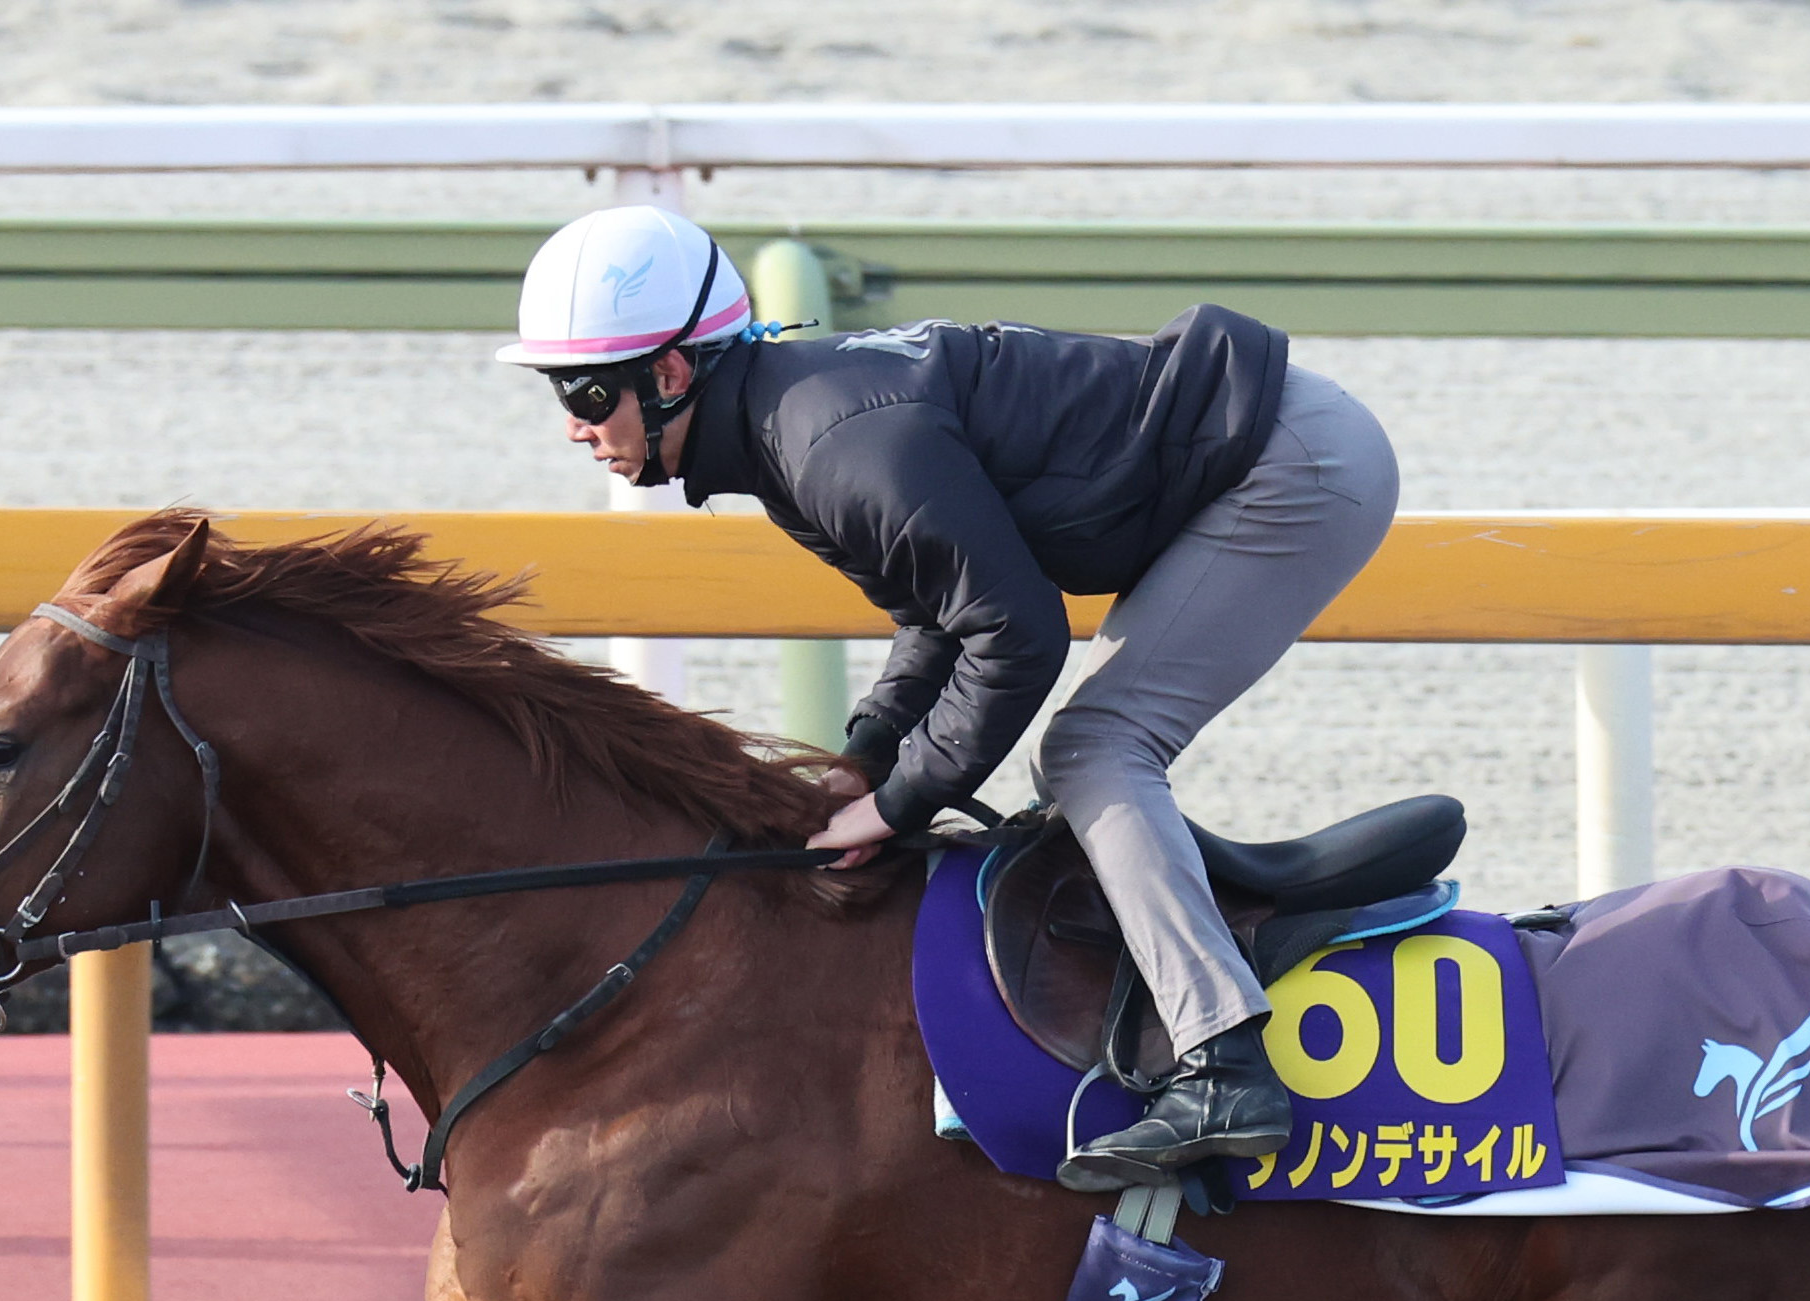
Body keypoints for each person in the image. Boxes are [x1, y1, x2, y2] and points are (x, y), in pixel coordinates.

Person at [495, 206, 1400, 1192]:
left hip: (1292, 465)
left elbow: (1019, 635)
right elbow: (936, 617)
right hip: (1256, 445)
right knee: (1082, 763)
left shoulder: (828, 444)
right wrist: (863, 759)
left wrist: (897, 802)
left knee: (1097, 750)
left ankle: (1224, 1063)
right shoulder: (782, 429)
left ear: (670, 375)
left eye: (585, 393)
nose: (577, 427)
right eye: (558, 396)